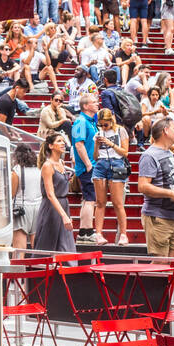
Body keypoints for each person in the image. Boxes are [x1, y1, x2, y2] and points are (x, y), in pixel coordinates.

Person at [137, 117, 174, 258]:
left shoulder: (169, 153)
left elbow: (167, 181)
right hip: (159, 216)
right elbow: (143, 186)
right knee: (161, 262)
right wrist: (171, 194)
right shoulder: (149, 155)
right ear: (165, 130)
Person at [91, 108, 131, 245]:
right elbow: (95, 157)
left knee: (117, 202)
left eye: (105, 124)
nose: (103, 127)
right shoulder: (98, 133)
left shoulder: (120, 131)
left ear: (111, 121)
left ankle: (124, 234)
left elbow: (125, 152)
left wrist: (110, 143)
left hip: (117, 163)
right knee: (100, 202)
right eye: (100, 125)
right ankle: (98, 234)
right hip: (101, 164)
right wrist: (96, 144)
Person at [33, 133, 76, 252]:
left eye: (63, 141)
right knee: (47, 242)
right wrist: (64, 216)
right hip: (51, 207)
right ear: (51, 146)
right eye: (59, 141)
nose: (63, 143)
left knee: (65, 242)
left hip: (63, 204)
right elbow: (50, 194)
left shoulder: (62, 163)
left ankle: (67, 268)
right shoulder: (47, 165)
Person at [70, 92, 99, 242]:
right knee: (90, 199)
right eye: (94, 102)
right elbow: (78, 144)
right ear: (86, 106)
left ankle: (83, 231)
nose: (97, 104)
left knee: (88, 199)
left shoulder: (90, 121)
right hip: (88, 167)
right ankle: (87, 232)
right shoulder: (80, 121)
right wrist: (88, 164)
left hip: (91, 165)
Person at [10, 142, 42, 254]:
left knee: (20, 247)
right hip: (38, 207)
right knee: (37, 244)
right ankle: (39, 267)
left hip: (22, 209)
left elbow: (12, 193)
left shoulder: (17, 170)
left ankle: (18, 271)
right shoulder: (39, 169)